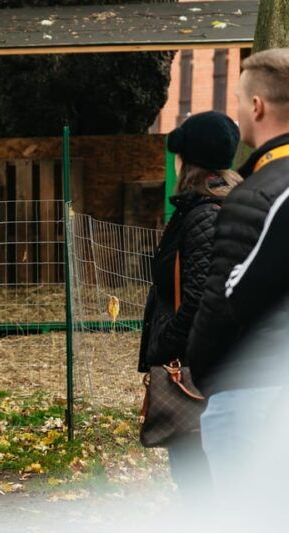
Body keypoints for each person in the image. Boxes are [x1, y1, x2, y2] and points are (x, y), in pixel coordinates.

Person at [186, 48, 289, 490]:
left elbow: (225, 300)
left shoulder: (258, 194)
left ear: (257, 106)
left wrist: (202, 369)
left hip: (252, 385)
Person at [138, 111, 241, 499]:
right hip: (211, 365)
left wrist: (167, 346)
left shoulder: (204, 215)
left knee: (198, 480)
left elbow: (199, 295)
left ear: (187, 162)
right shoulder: (220, 205)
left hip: (196, 370)